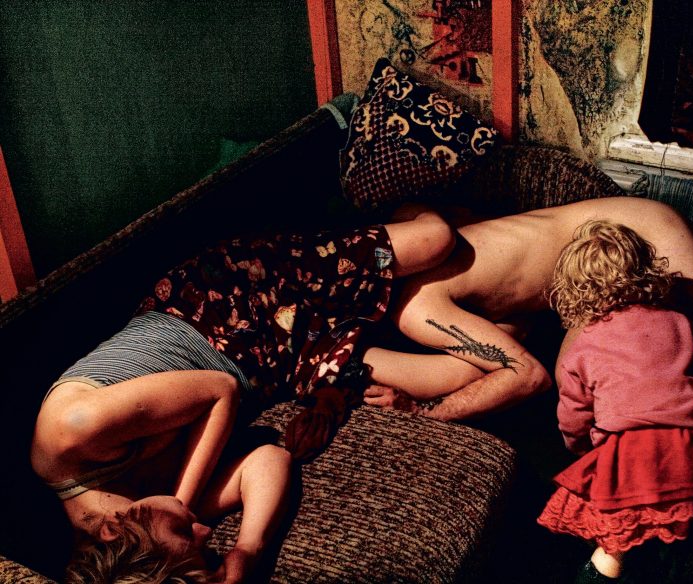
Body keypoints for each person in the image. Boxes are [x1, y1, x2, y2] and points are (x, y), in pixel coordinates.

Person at [30, 207, 455, 582]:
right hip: (278, 364)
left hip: (222, 304)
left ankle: (405, 211)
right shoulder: (145, 517)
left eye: (186, 534)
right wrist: (247, 551)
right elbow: (269, 460)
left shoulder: (70, 434)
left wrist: (183, 502)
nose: (204, 531)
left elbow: (220, 390)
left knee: (435, 240)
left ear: (112, 532)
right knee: (450, 375)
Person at [362, 197, 693, 420]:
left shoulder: (412, 305)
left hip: (629, 236)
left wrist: (424, 413)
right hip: (597, 273)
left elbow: (526, 376)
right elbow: (493, 352)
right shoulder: (393, 271)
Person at [534, 219, 693, 582]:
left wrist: (580, 449)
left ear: (574, 290)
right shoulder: (680, 322)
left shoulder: (583, 347)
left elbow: (573, 416)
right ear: (646, 269)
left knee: (614, 544)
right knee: (683, 531)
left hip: (631, 455)